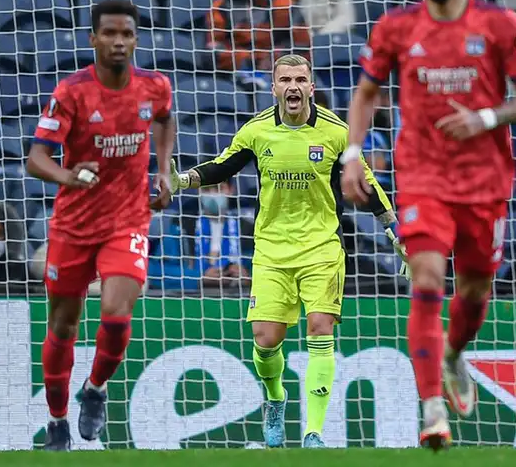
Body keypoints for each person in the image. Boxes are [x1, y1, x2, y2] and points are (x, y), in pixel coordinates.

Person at [341, 0, 516, 451]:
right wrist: (354, 154)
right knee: (427, 281)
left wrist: (483, 118)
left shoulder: (498, 23)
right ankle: (432, 409)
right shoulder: (395, 26)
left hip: (484, 182)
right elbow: (365, 94)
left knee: (475, 290)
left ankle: (454, 354)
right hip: (423, 177)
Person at [166, 54, 408, 449]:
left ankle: (314, 433)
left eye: (300, 79)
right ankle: (275, 397)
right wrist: (184, 180)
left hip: (322, 247)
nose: (293, 86)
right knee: (264, 342)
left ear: (311, 87)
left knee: (320, 328)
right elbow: (223, 167)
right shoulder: (258, 130)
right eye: (285, 80)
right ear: (275, 87)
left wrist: (393, 231)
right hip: (272, 249)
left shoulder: (336, 132)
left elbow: (366, 183)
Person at [26, 0, 175, 451]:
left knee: (115, 312)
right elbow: (35, 159)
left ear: (135, 39)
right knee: (64, 327)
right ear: (93, 39)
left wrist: (164, 170)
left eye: (126, 34)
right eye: (109, 33)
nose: (118, 41)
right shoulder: (72, 93)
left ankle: (95, 389)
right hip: (73, 227)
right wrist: (69, 176)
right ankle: (57, 422)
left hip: (127, 220)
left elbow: (166, 121)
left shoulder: (154, 86)